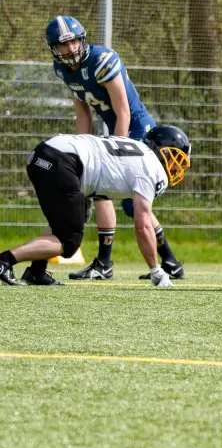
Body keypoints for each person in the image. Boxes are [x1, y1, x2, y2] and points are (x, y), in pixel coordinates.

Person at [45, 16, 184, 281]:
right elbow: (82, 113)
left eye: (73, 40)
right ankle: (166, 262)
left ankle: (142, 262)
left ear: (82, 39)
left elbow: (123, 111)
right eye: (63, 44)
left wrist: (116, 152)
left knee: (130, 203)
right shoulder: (63, 69)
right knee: (101, 188)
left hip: (135, 128)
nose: (70, 48)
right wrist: (81, 153)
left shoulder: (101, 60)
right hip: (115, 128)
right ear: (54, 47)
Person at [0, 125, 190, 288]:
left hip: (47, 153)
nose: (176, 168)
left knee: (64, 224)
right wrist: (156, 269)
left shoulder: (137, 150)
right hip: (62, 161)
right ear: (160, 148)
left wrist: (84, 201)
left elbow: (99, 166)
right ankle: (5, 260)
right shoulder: (152, 167)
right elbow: (143, 225)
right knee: (68, 242)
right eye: (176, 158)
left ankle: (36, 271)